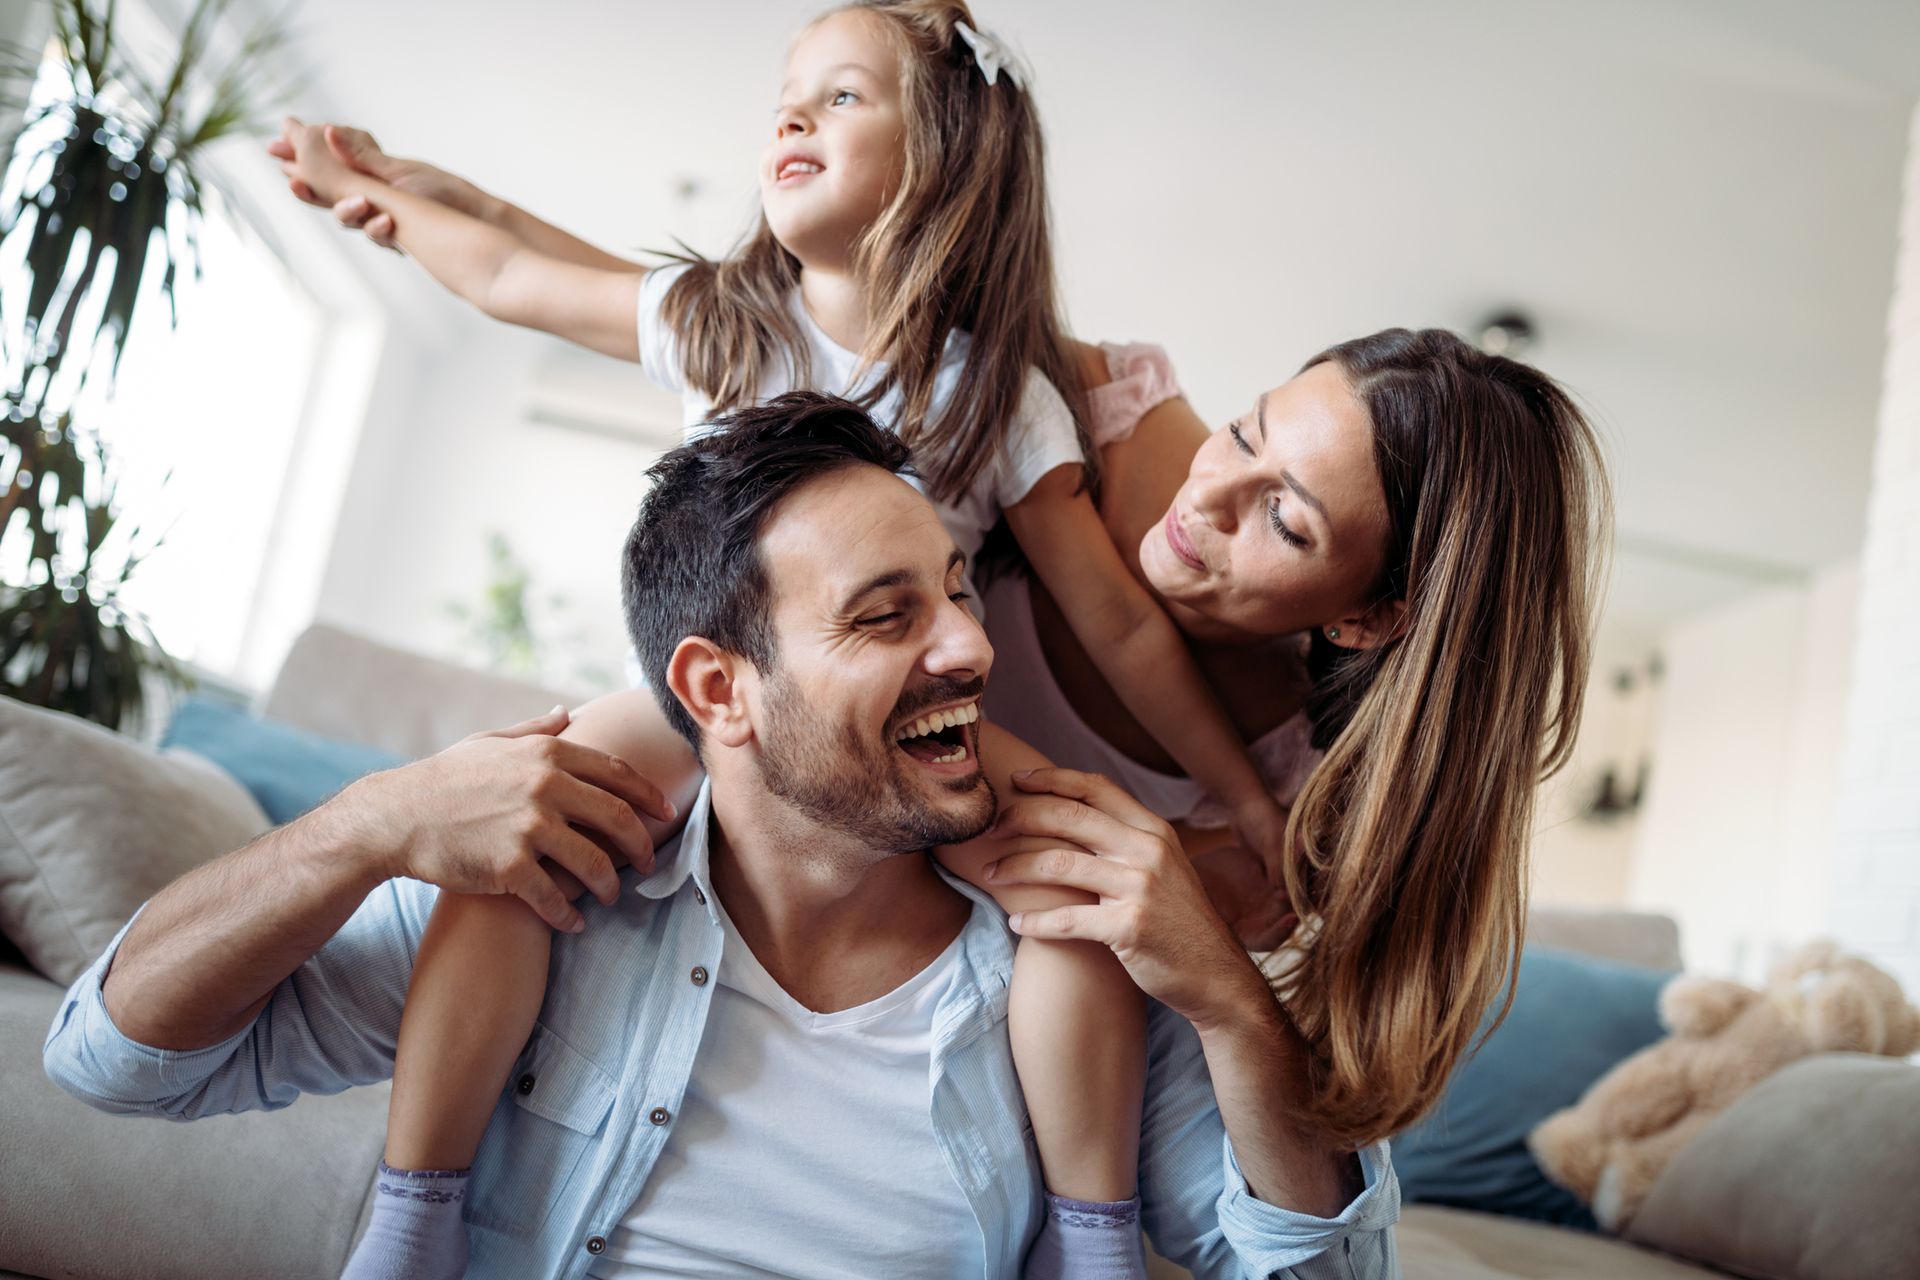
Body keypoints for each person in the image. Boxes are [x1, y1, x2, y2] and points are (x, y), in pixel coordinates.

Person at [267, 8, 1289, 1268]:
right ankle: (415, 1209)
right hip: (699, 697)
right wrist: (386, 198)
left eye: (843, 98)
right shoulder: (723, 317)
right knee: (519, 853)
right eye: (787, 96)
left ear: (942, 167)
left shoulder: (1000, 391)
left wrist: (1247, 801)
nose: (791, 117)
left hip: (902, 728)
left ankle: (1092, 1238)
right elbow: (510, 274)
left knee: (1069, 905)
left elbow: (1120, 621)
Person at [43, 394, 1399, 1280]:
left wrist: (1227, 997)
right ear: (715, 692)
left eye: (952, 591)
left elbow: (1331, 1275)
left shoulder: (1076, 967)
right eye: (886, 616)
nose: (974, 645)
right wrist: (365, 826)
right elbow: (113, 1064)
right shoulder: (550, 899)